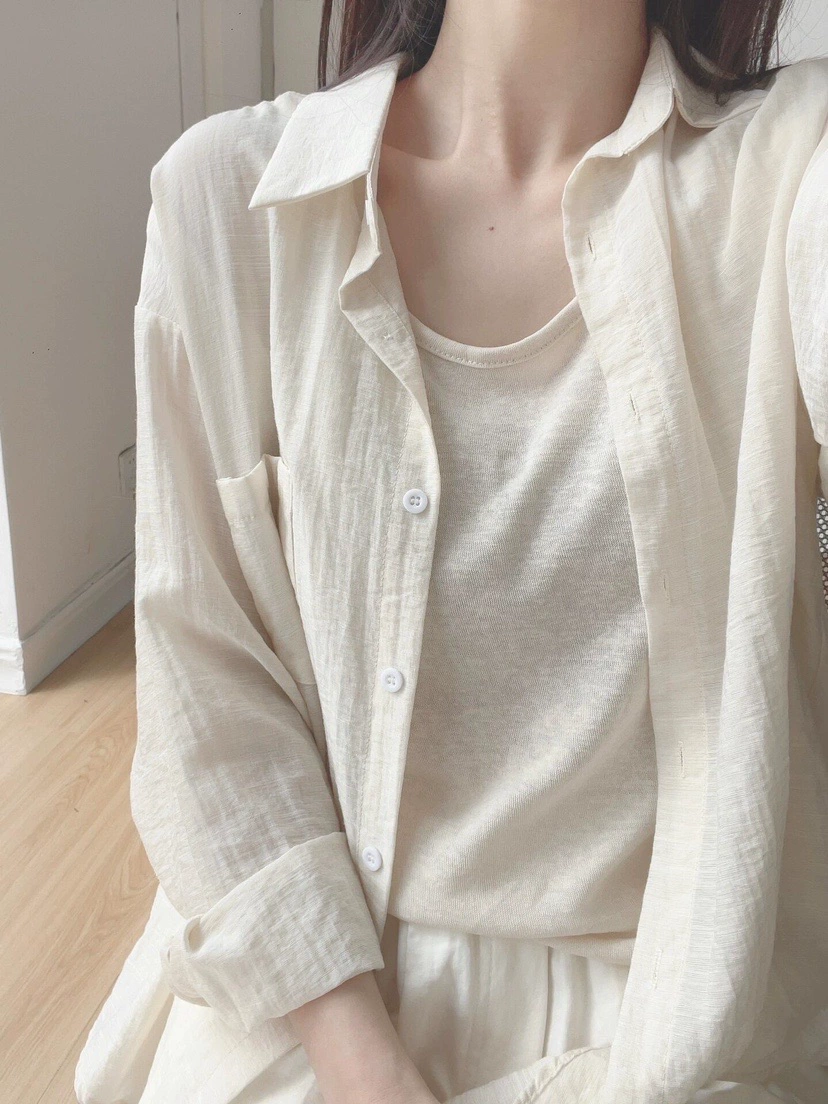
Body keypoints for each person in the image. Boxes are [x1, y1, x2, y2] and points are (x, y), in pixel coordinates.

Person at [75, 2, 828, 1103]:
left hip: (675, 1015)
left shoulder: (794, 170)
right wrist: (362, 1063)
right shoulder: (230, 199)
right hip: (308, 994)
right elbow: (209, 689)